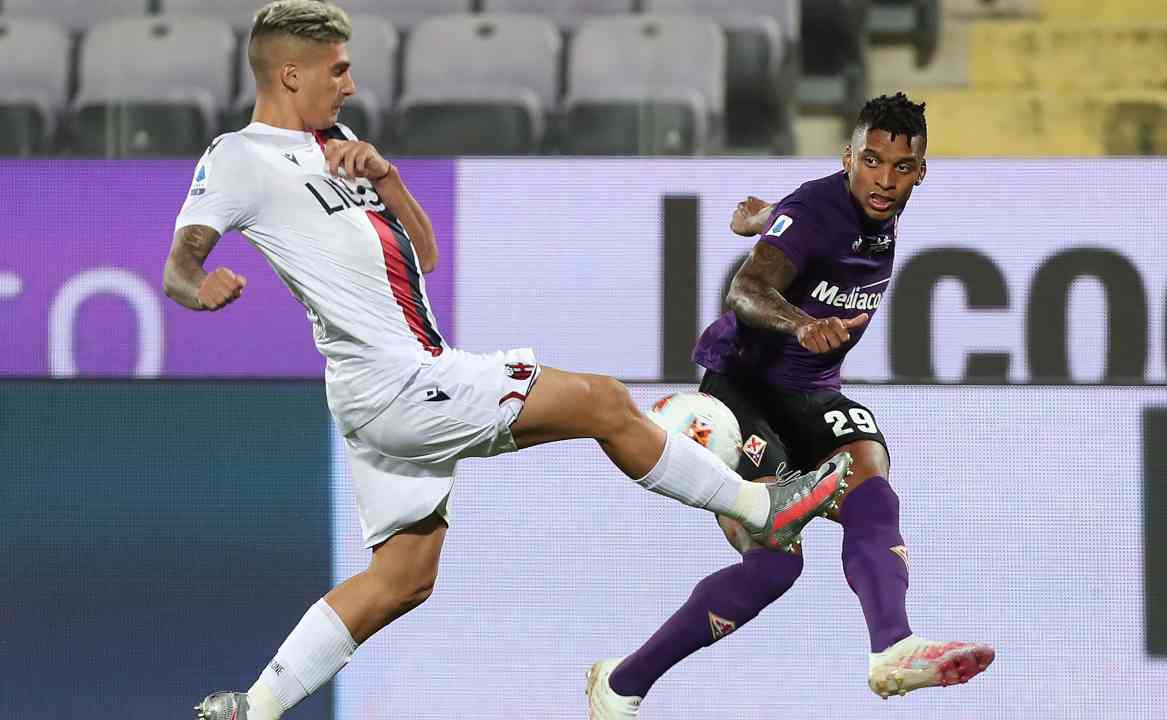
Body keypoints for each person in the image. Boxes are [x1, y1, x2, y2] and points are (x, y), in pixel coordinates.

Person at [173, 3, 850, 719]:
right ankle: (758, 506)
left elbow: (426, 257)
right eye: (337, 69)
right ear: (289, 73)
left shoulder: (337, 144)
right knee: (602, 402)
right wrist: (202, 286)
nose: (348, 82)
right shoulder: (238, 156)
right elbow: (178, 266)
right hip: (401, 384)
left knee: (402, 578)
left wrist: (389, 178)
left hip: (389, 386)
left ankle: (256, 707)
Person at [587, 93, 995, 718]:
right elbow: (745, 290)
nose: (885, 181)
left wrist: (764, 216)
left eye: (903, 167)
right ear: (848, 157)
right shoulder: (818, 207)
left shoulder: (866, 207)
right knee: (776, 566)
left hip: (812, 394)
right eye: (872, 162)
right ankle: (621, 686)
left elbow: (803, 220)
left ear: (921, 171)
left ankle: (893, 649)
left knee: (874, 492)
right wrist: (802, 323)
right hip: (741, 392)